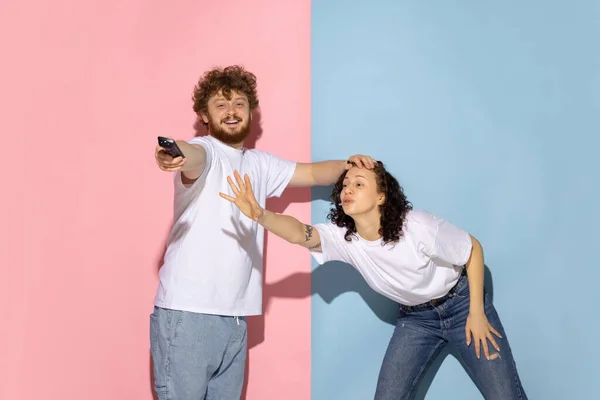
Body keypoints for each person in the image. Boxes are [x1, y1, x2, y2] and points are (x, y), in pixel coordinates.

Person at [151, 65, 376, 400]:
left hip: (235, 320)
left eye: (239, 103)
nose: (231, 111)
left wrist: (350, 165)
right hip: (188, 315)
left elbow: (314, 174)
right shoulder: (207, 152)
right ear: (204, 115)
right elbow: (191, 153)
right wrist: (173, 153)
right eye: (221, 104)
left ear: (250, 111)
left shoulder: (260, 163)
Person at [221, 161, 528, 399]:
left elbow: (472, 249)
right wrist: (260, 214)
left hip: (462, 306)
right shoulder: (344, 239)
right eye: (344, 185)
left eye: (358, 183)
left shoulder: (417, 225)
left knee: (505, 395)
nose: (347, 190)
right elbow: (301, 233)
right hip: (416, 320)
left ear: (381, 196)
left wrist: (476, 312)